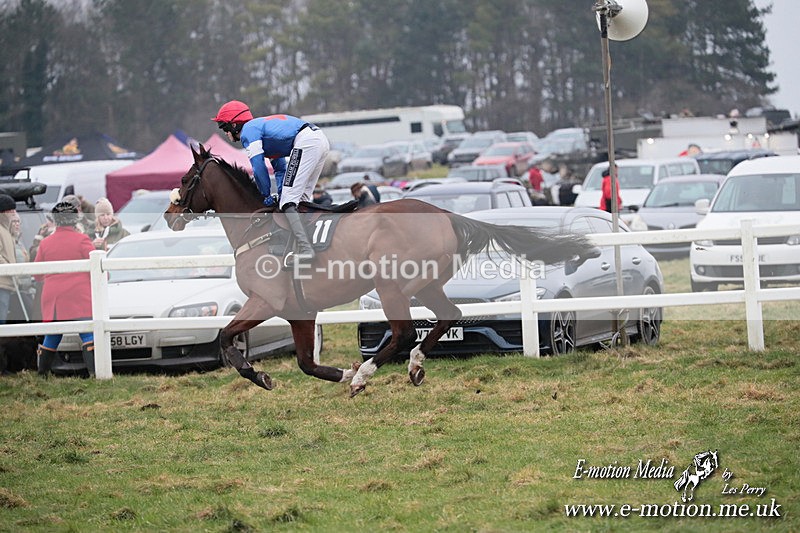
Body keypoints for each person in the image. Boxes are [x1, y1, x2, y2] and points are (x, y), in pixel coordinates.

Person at [212, 100, 330, 265]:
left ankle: (306, 249)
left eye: (224, 127)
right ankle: (306, 243)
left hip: (307, 142)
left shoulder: (248, 132)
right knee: (298, 199)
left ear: (234, 125)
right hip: (318, 140)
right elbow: (280, 168)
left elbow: (258, 166)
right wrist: (280, 193)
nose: (225, 133)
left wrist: (264, 194)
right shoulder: (265, 134)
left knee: (289, 201)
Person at [33, 202, 96, 377]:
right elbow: (96, 268)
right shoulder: (82, 239)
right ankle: (94, 373)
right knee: (87, 332)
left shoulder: (45, 243)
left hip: (54, 297)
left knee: (53, 335)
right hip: (78, 295)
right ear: (75, 219)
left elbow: (37, 275)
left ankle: (42, 374)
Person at [0, 194, 18, 324]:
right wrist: (8, 269)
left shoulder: (6, 230)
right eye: (10, 210)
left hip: (6, 283)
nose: (13, 213)